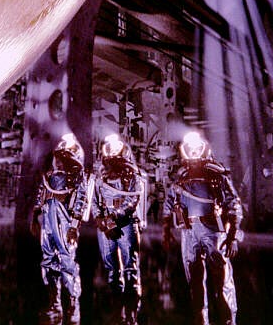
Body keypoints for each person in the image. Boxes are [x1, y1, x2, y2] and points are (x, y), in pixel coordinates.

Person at [162, 131, 243, 325]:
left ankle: (228, 320)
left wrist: (232, 236)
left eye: (197, 148)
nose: (193, 151)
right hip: (189, 232)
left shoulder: (217, 174)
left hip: (213, 231)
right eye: (190, 148)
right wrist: (166, 229)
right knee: (195, 282)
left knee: (222, 281)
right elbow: (169, 203)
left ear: (204, 148)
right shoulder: (181, 176)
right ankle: (201, 321)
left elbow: (234, 204)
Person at [31, 133, 92, 325]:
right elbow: (41, 195)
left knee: (67, 260)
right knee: (48, 259)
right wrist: (35, 216)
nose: (60, 160)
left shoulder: (77, 177)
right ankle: (54, 301)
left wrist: (73, 226)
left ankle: (73, 301)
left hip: (65, 221)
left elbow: (81, 200)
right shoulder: (49, 176)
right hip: (48, 220)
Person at [92, 133, 144, 325]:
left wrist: (114, 218)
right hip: (105, 224)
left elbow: (133, 199)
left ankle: (132, 310)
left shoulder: (132, 174)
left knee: (130, 265)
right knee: (111, 266)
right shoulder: (100, 174)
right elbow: (94, 199)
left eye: (116, 147)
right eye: (110, 147)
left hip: (125, 223)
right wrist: (100, 219)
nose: (113, 150)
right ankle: (117, 307)